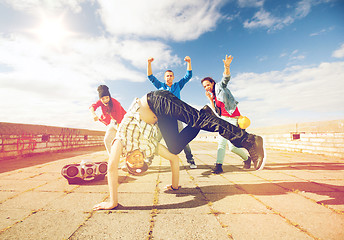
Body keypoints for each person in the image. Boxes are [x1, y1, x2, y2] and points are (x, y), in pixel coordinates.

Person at [93, 89, 265, 210]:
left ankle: (249, 140)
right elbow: (174, 159)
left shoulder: (121, 143)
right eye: (141, 163)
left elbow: (111, 168)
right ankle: (206, 113)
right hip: (160, 116)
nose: (138, 160)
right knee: (174, 147)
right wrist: (175, 186)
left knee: (198, 120)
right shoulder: (149, 147)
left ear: (126, 161)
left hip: (156, 101)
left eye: (134, 163)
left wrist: (113, 202)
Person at [201, 55, 257, 174]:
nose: (207, 87)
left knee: (230, 146)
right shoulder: (214, 96)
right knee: (226, 145)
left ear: (212, 82)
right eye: (204, 87)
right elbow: (217, 112)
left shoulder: (220, 87)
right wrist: (211, 99)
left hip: (233, 118)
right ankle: (224, 164)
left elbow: (225, 78)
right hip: (223, 119)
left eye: (208, 84)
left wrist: (227, 66)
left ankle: (242, 160)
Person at [147, 56, 197, 169]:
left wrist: (189, 62)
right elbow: (150, 77)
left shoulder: (177, 86)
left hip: (177, 116)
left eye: (171, 75)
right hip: (163, 118)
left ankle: (190, 159)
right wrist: (149, 63)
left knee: (183, 139)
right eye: (167, 76)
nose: (169, 77)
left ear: (173, 77)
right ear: (164, 78)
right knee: (156, 139)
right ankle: (149, 159)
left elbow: (188, 76)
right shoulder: (160, 86)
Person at [89, 85, 126, 155]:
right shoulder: (100, 101)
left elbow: (119, 118)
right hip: (112, 123)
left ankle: (126, 155)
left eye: (107, 98)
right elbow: (92, 107)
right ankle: (112, 160)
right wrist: (93, 115)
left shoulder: (116, 103)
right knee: (107, 140)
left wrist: (119, 133)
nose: (105, 100)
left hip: (122, 122)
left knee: (122, 140)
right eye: (103, 99)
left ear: (109, 96)